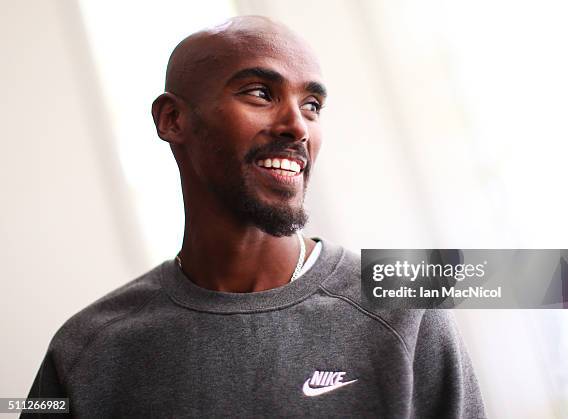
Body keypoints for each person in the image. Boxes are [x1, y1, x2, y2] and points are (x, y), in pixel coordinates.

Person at [24, 16, 486, 418]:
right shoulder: (91, 350)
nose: (297, 126)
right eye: (261, 93)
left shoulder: (405, 311)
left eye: (312, 106)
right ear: (172, 120)